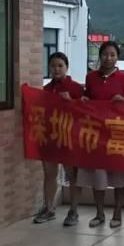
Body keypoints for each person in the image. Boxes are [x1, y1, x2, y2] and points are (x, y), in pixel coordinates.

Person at [76, 40, 124, 228]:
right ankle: (99, 214)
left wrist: (123, 100)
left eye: (112, 55)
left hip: (118, 133)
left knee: (119, 176)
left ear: (117, 58)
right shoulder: (91, 77)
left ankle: (117, 213)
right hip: (97, 134)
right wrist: (84, 99)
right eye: (105, 54)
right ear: (100, 56)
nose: (108, 58)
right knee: (97, 176)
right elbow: (88, 98)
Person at [34, 52, 83, 225]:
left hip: (69, 138)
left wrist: (71, 102)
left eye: (60, 65)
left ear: (66, 67)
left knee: (72, 175)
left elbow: (85, 112)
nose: (56, 69)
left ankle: (74, 211)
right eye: (53, 66)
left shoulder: (76, 88)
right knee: (49, 174)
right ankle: (49, 208)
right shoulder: (46, 90)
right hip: (50, 138)